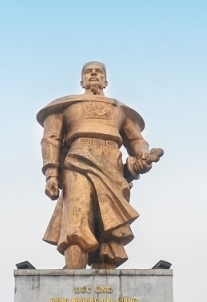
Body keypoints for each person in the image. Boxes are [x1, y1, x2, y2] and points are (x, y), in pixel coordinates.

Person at [38, 62, 164, 269]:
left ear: (106, 80)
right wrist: (51, 173)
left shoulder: (119, 109)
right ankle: (73, 269)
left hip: (111, 162)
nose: (94, 74)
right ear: (82, 81)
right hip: (78, 158)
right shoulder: (67, 105)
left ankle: (106, 272)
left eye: (99, 72)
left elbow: (136, 140)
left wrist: (142, 156)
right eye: (88, 72)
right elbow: (50, 138)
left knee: (109, 220)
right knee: (77, 212)